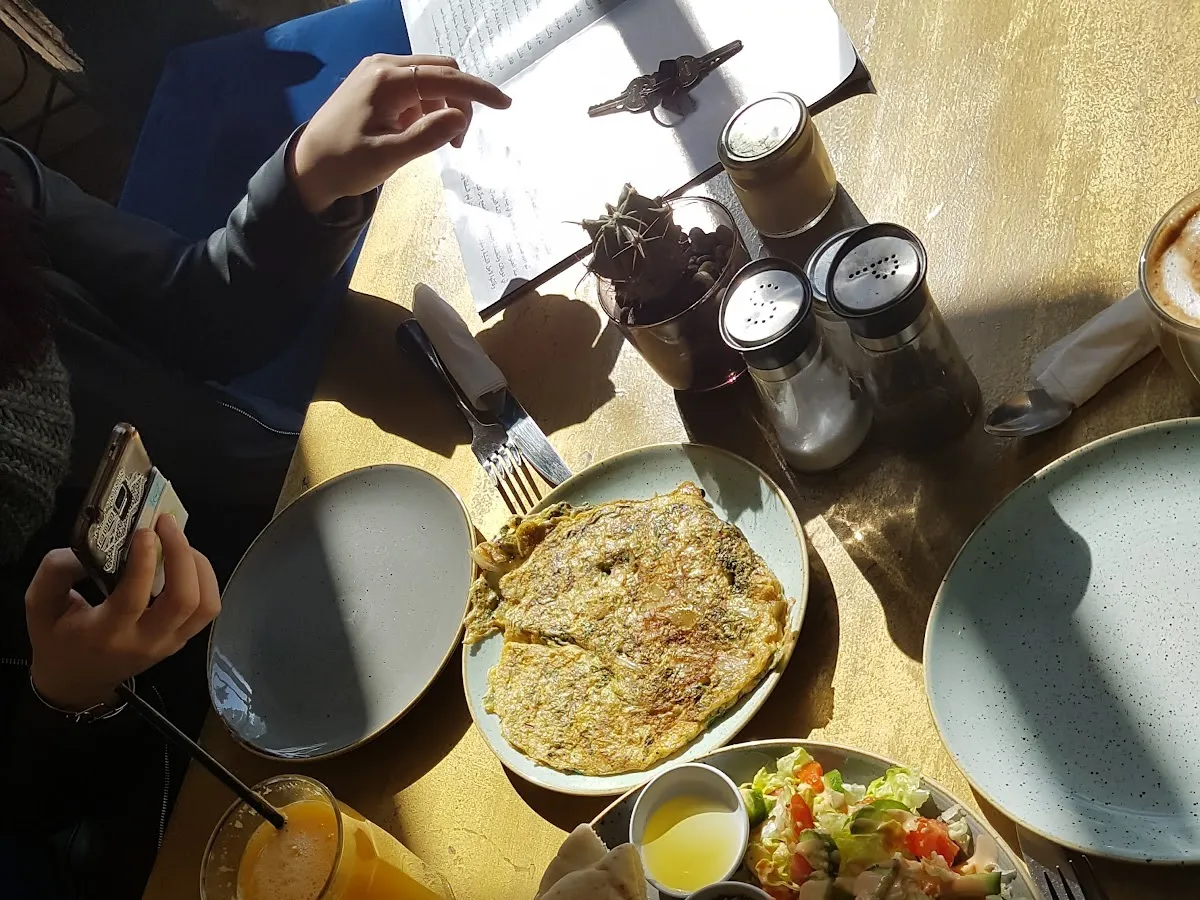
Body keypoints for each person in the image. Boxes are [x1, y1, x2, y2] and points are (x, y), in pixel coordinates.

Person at [0, 55, 510, 899]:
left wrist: (307, 180)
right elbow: (29, 809)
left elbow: (191, 312)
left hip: (326, 523)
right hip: (199, 771)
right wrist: (69, 695)